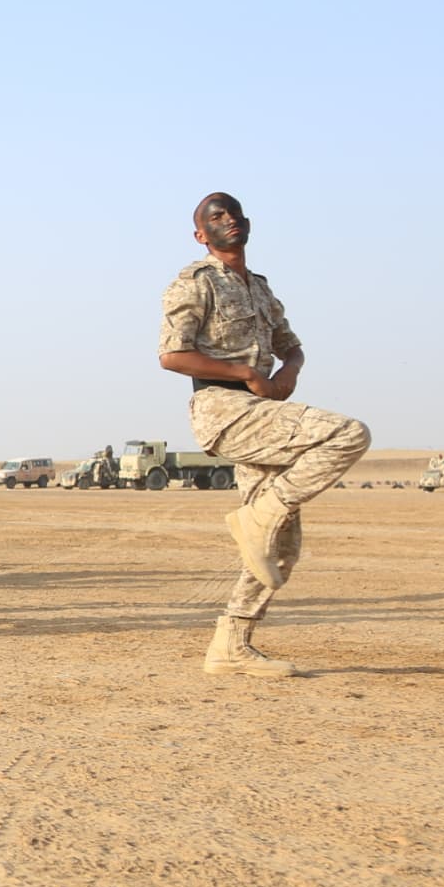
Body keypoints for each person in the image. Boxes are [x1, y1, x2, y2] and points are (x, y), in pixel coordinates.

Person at [157, 192, 370, 676]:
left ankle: (230, 645)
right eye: (217, 216)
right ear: (200, 234)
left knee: (280, 549)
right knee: (349, 434)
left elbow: (291, 346)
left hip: (263, 411)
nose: (228, 220)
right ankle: (262, 513)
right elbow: (172, 356)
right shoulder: (195, 282)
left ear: (247, 224)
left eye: (234, 214)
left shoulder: (259, 288)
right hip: (224, 409)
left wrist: (289, 370)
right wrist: (246, 374)